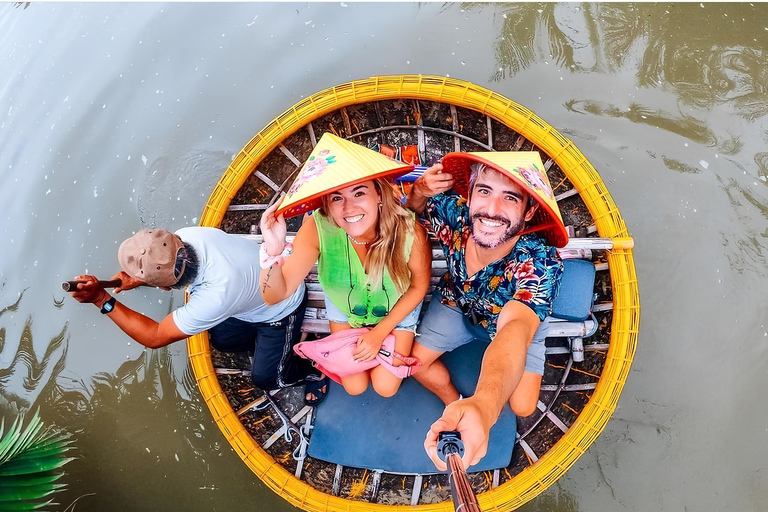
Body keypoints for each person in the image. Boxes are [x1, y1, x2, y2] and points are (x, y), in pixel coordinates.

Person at [403, 151, 567, 471]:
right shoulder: (454, 211)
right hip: (457, 302)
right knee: (411, 364)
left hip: (513, 325)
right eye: (484, 191)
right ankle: (454, 401)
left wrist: (485, 405)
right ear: (469, 195)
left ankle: (472, 405)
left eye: (510, 197)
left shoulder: (539, 261)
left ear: (530, 209)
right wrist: (419, 191)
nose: (492, 210)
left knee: (522, 406)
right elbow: (412, 212)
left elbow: (515, 329)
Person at [67, 226, 327, 404]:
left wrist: (102, 299)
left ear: (166, 287)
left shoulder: (214, 298)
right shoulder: (186, 235)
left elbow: (155, 336)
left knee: (268, 378)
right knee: (223, 340)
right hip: (249, 294)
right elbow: (169, 265)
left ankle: (314, 369)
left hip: (282, 304)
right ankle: (278, 349)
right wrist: (138, 279)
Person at [259, 133, 431, 398]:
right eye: (337, 197)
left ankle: (374, 345)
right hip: (345, 305)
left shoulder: (409, 229)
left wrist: (378, 335)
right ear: (327, 204)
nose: (349, 208)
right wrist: (273, 249)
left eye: (359, 192)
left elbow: (418, 287)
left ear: (379, 194)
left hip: (398, 305)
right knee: (355, 386)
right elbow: (274, 296)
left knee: (386, 388)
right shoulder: (317, 227)